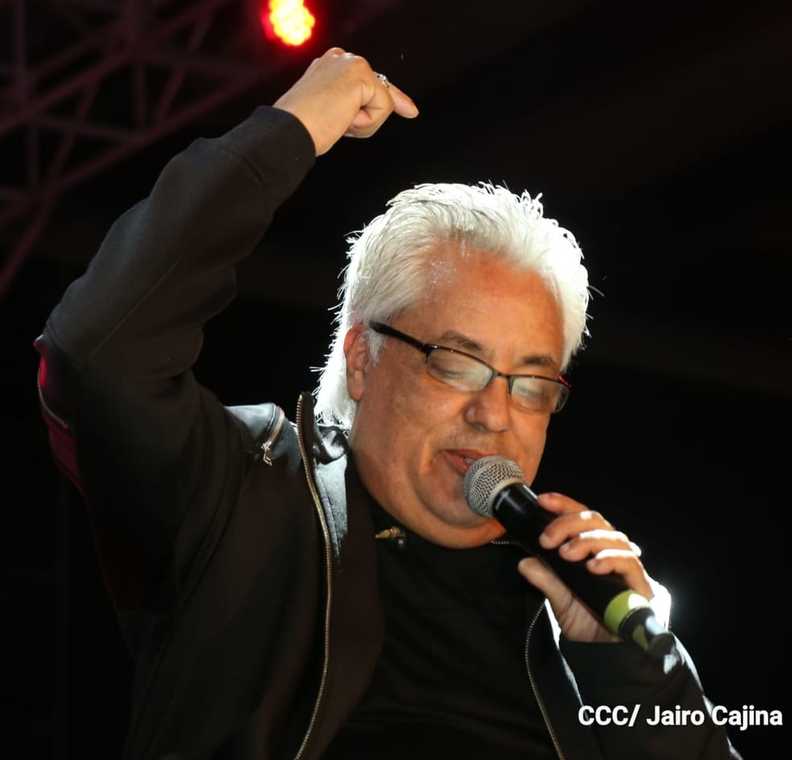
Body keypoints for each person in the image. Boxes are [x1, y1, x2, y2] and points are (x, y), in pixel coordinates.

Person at [34, 48, 742, 759]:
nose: (494, 413)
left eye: (530, 385)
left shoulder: (570, 612)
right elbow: (99, 353)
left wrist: (634, 670)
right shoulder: (242, 493)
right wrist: (289, 130)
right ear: (363, 360)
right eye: (458, 365)